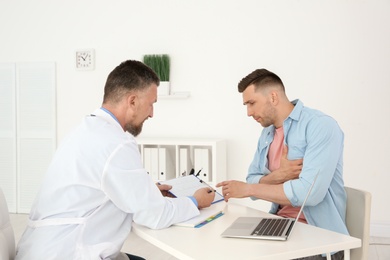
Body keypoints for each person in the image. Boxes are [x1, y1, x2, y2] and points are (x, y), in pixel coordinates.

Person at [15, 60, 215, 260]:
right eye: (151, 104)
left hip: (41, 249)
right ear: (133, 101)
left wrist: (147, 191)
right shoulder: (116, 143)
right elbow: (153, 215)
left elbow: (103, 189)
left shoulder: (85, 130)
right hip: (67, 252)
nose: (152, 113)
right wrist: (195, 201)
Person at [216, 69, 348, 260]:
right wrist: (279, 176)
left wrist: (250, 189)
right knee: (228, 250)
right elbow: (252, 177)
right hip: (280, 224)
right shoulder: (267, 133)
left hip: (320, 238)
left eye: (251, 103)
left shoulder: (320, 126)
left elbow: (309, 194)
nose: (248, 112)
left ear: (273, 96)